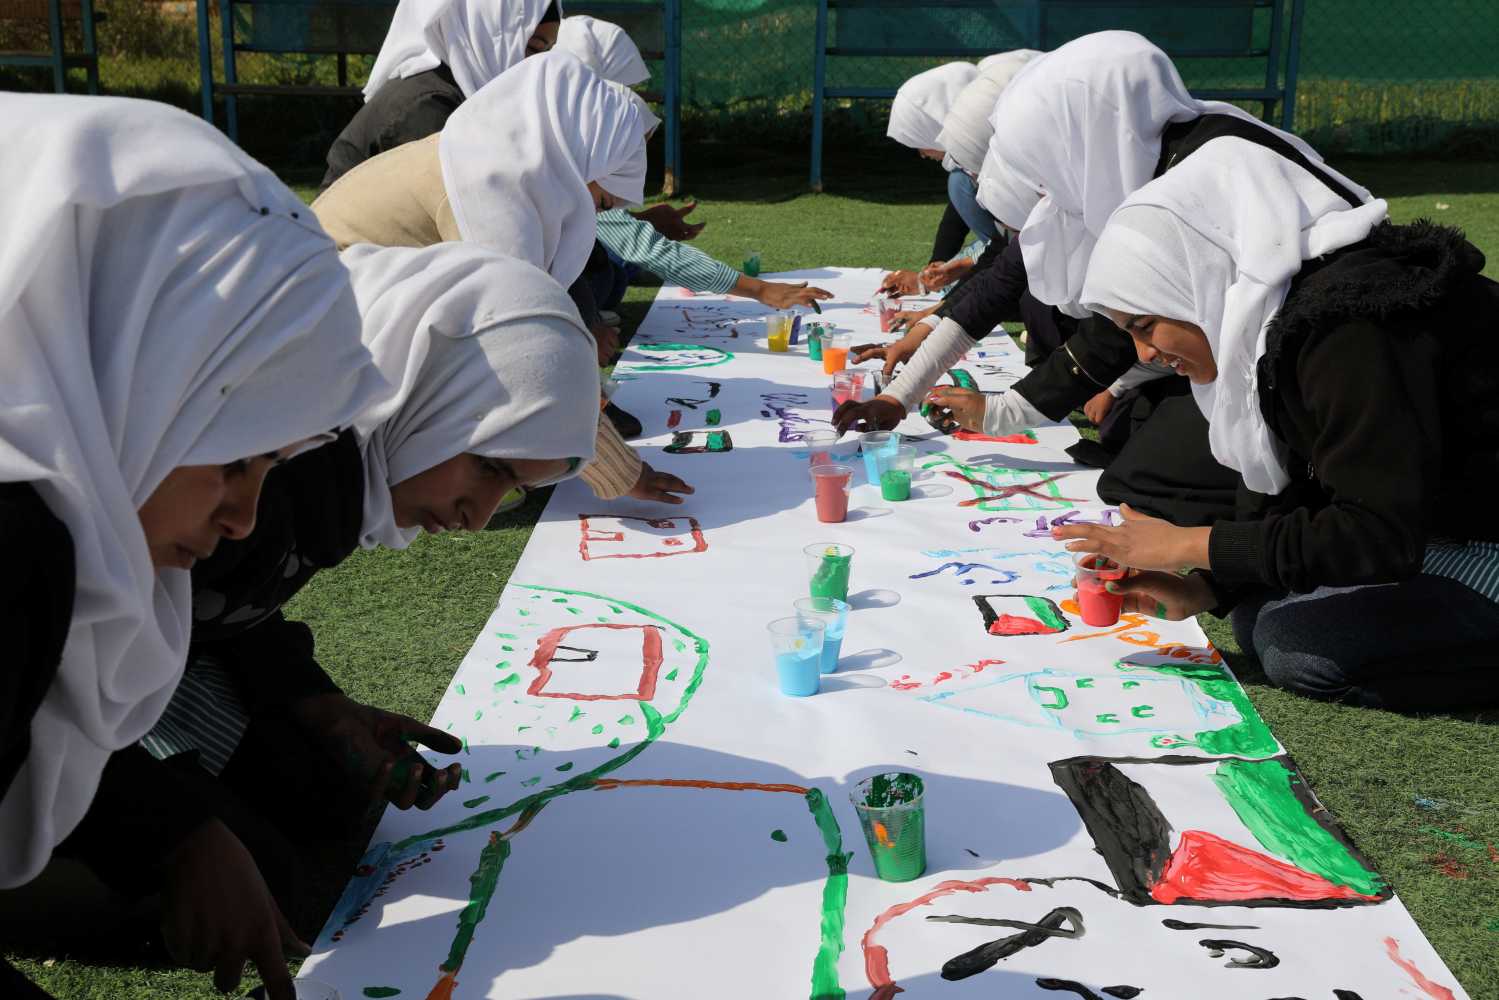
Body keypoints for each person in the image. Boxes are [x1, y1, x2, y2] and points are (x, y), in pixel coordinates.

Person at [0, 94, 391, 1000]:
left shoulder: (60, 506)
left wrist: (170, 828)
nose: (244, 519)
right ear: (132, 370)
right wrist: (174, 834)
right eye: (234, 462)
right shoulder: (15, 537)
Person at [135, 242, 603, 957]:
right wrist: (174, 831)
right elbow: (86, 653)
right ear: (427, 389)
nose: (478, 517)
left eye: (511, 492)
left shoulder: (336, 478)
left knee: (327, 793)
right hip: (56, 691)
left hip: (149, 659)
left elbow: (221, 608)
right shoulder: (275, 457)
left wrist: (322, 708)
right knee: (262, 888)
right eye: (486, 467)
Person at [835, 31, 1370, 526]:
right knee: (1137, 454)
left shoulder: (1182, 175)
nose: (1040, 193)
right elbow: (1003, 287)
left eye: (1041, 166)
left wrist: (1007, 411)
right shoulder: (1133, 168)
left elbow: (1139, 324)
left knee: (1139, 476)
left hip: (1326, 373)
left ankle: (1309, 509)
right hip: (1275, 371)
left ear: (1081, 134)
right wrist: (902, 396)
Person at [1055, 136, 1499, 712]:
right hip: (1441, 519)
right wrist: (1204, 587)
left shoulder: (1349, 329)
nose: (1142, 355)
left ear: (1198, 278)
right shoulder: (1279, 319)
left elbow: (1378, 533)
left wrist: (1188, 544)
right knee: (1259, 611)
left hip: (1476, 534)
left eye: (1146, 324)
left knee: (1297, 648)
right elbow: (1313, 482)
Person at [313, 50, 692, 505]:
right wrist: (623, 473)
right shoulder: (490, 190)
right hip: (321, 331)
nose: (594, 213)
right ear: (576, 163)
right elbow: (519, 343)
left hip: (341, 309)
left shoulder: (497, 160)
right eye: (602, 200)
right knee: (494, 467)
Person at [323, 0, 562, 188]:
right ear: (487, 33)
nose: (540, 64)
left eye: (548, 51)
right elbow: (458, 212)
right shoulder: (429, 105)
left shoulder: (461, 94)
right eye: (534, 48)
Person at [880, 50, 1041, 300]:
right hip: (1030, 252)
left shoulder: (1020, 156)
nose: (921, 153)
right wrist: (940, 271)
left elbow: (1026, 237)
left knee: (1034, 302)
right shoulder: (977, 161)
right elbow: (1004, 241)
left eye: (919, 141)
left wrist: (939, 307)